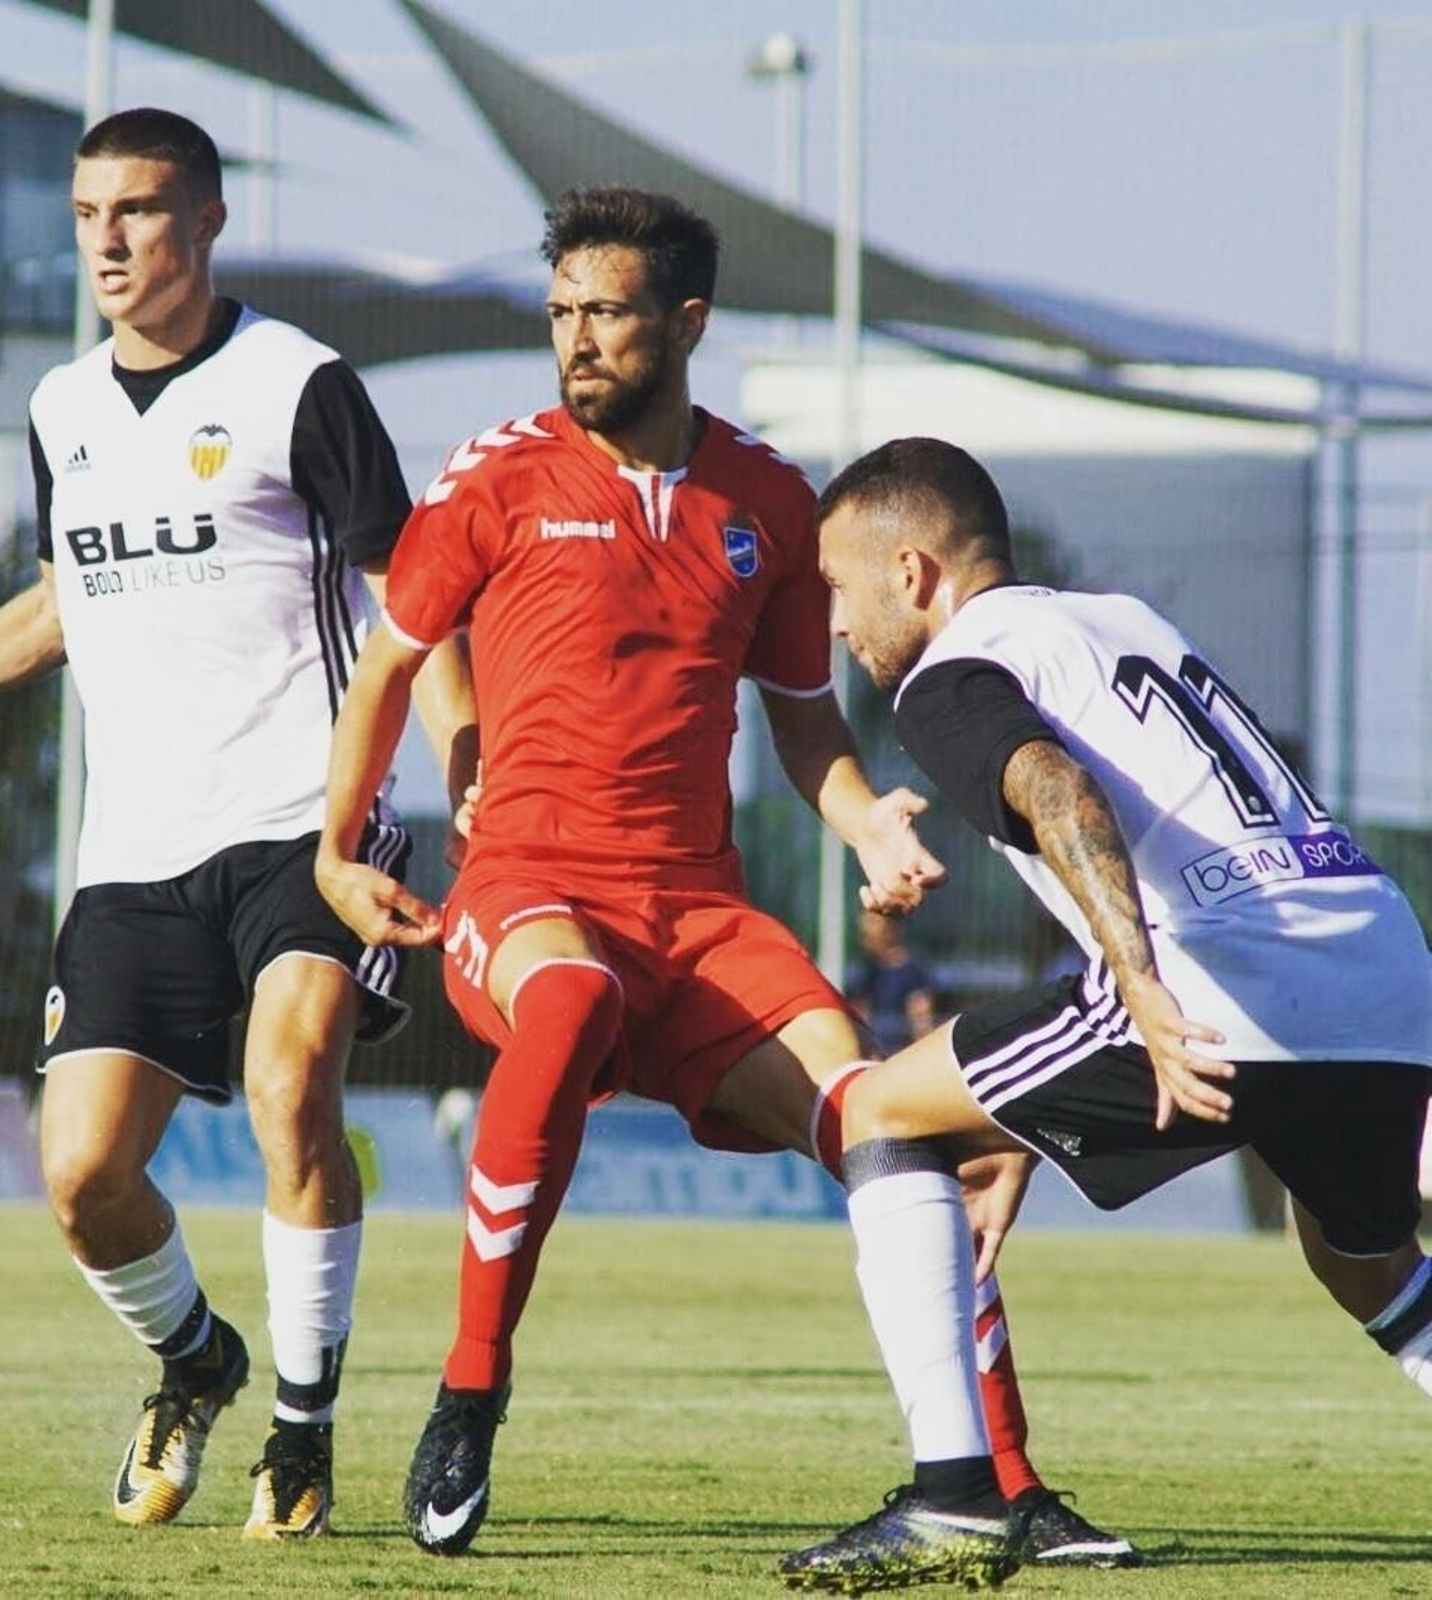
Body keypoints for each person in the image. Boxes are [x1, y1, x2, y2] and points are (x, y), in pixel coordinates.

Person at [315, 187, 1136, 1569]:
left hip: (697, 913)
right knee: (568, 997)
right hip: (530, 892)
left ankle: (1000, 1483)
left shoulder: (764, 503)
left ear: (686, 323)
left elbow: (807, 722)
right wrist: (338, 853)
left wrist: (869, 822)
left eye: (609, 313)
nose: (577, 340)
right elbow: (390, 662)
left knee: (885, 1116)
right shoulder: (492, 477)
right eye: (563, 311)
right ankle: (469, 1391)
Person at [0, 110, 474, 1540]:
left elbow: (407, 601)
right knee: (78, 1177)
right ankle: (198, 1363)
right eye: (86, 214)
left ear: (208, 219)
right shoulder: (62, 408)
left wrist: (469, 761)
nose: (107, 241)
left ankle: (301, 1432)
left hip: (306, 826)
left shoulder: (297, 382)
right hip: (133, 854)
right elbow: (66, 607)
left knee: (290, 1083)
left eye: (136, 210)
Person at [783, 436, 1432, 1590]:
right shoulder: (1120, 619)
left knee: (878, 1109)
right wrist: (1024, 1117)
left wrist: (1134, 984)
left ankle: (953, 1500)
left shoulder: (951, 673)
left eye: (837, 586)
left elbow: (1057, 790)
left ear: (914, 571)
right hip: (1379, 965)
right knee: (1361, 1255)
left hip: (1216, 982)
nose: (834, 625)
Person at [846, 908, 937, 1051]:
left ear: (893, 929)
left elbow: (921, 1021)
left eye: (871, 934)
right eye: (864, 935)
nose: (867, 939)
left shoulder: (912, 970)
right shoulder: (867, 970)